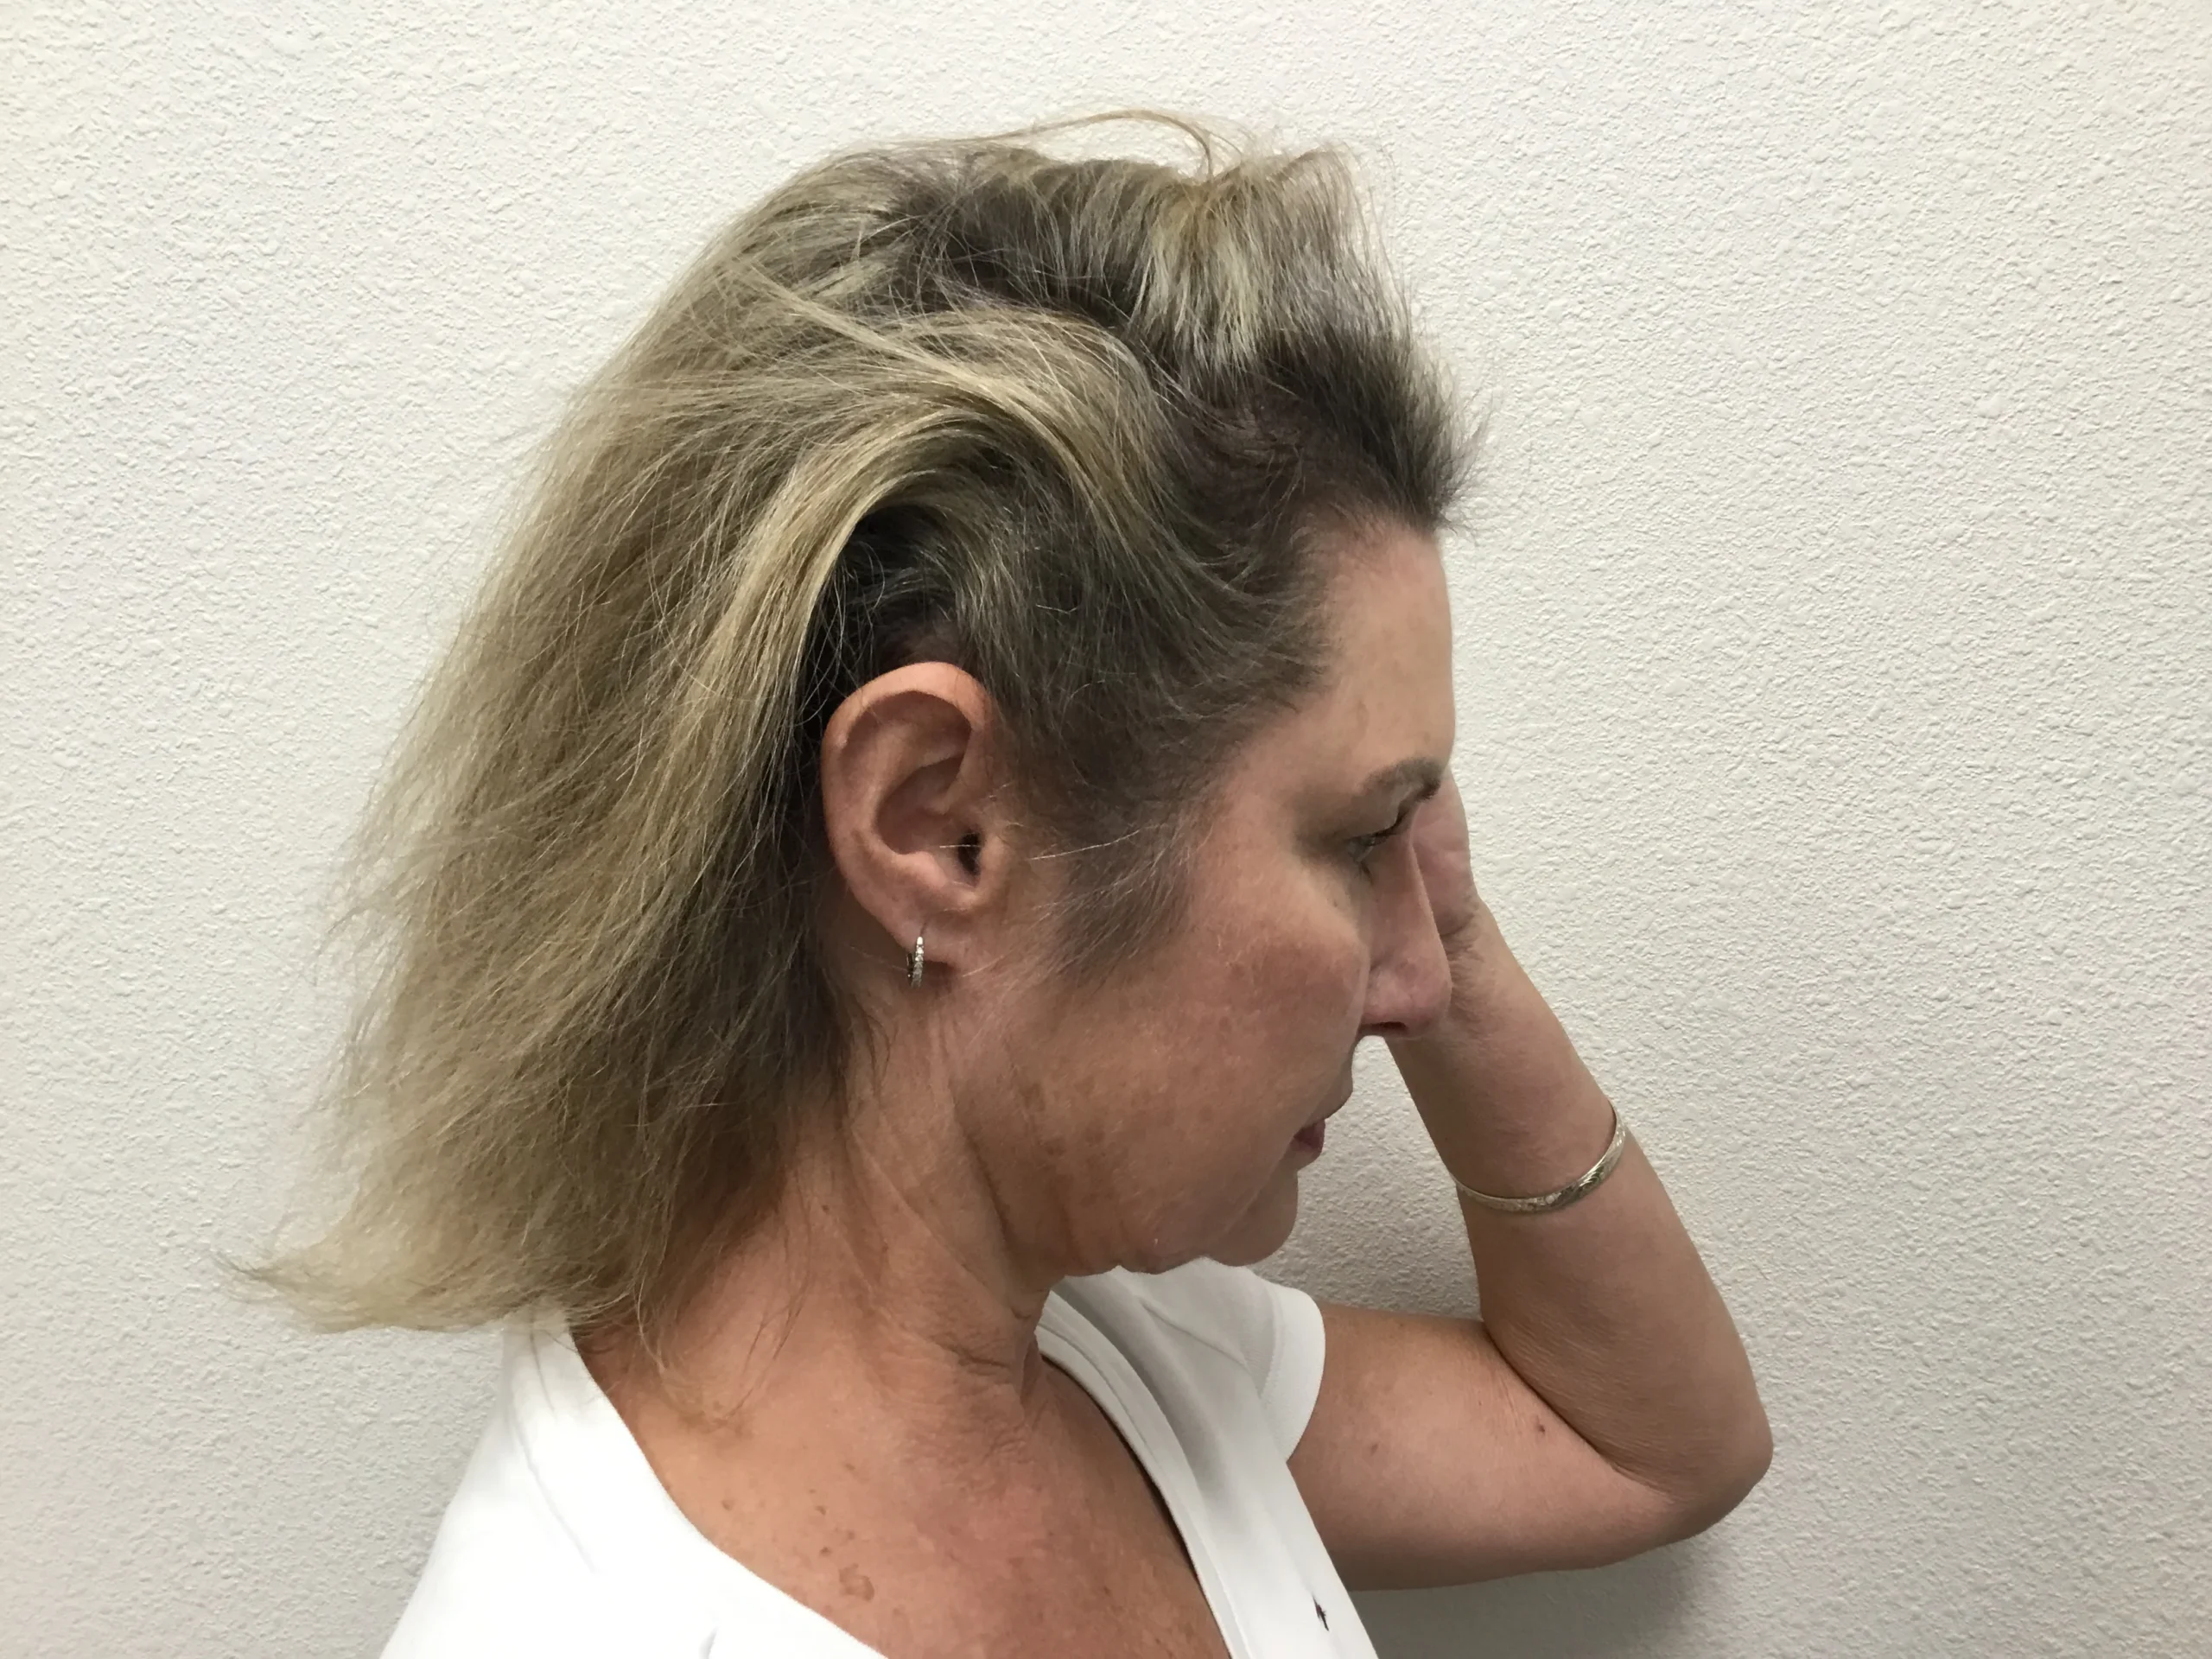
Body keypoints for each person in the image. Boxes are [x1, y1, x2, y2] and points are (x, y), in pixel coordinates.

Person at [262, 114, 1771, 1657]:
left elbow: (1650, 1445)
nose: (1421, 982)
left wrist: (1433, 892)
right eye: (1356, 842)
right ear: (940, 827)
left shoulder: (1128, 1356)